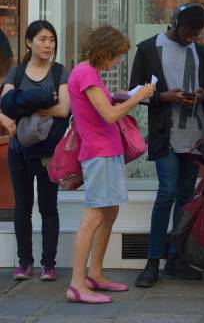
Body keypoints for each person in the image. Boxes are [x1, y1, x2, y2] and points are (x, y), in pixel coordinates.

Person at [66, 26, 155, 304]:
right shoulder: (86, 73)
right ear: (103, 50)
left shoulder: (87, 73)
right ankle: (77, 284)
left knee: (109, 211)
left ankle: (95, 274)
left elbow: (102, 109)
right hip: (100, 152)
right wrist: (138, 97)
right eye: (115, 56)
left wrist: (119, 96)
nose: (117, 62)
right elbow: (109, 116)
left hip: (106, 151)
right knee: (94, 215)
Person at [131, 4, 204, 288]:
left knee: (185, 197)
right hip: (165, 134)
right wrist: (164, 96)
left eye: (195, 35)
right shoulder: (148, 50)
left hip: (195, 135)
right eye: (187, 33)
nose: (191, 39)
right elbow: (134, 94)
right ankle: (153, 262)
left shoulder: (203, 53)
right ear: (175, 23)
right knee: (166, 192)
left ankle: (177, 260)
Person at [0, 21, 70, 281]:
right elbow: (6, 106)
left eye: (51, 39)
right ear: (29, 42)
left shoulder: (60, 72)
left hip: (48, 150)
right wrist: (40, 102)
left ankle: (48, 264)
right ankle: (24, 262)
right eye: (42, 39)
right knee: (22, 207)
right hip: (18, 149)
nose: (48, 44)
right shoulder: (17, 73)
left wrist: (24, 107)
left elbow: (63, 109)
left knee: (49, 207)